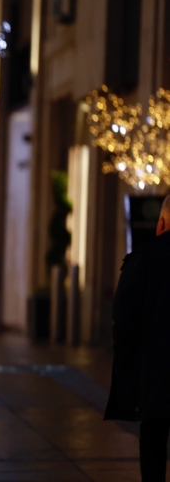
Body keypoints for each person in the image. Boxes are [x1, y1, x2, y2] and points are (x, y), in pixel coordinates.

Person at [105, 194, 170, 482]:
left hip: (155, 373)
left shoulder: (143, 261)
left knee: (154, 441)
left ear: (163, 221)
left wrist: (127, 368)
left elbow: (124, 323)